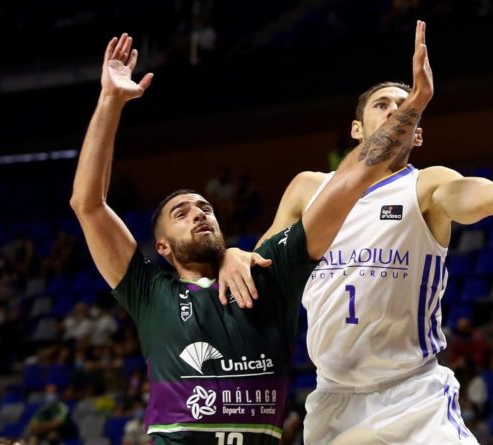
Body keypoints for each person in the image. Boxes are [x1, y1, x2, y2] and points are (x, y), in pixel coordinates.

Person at [252, 27, 493, 445]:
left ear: (418, 133)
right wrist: (232, 257)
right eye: (382, 104)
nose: (395, 110)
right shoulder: (308, 188)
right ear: (357, 129)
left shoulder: (427, 186)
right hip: (333, 399)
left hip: (413, 398)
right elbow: (260, 267)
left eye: (405, 105)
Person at [70, 24, 431, 444]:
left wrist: (416, 104)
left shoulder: (270, 274)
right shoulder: (148, 291)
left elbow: (349, 180)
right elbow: (88, 204)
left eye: (205, 207)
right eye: (181, 213)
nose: (199, 214)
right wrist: (110, 101)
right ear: (162, 245)